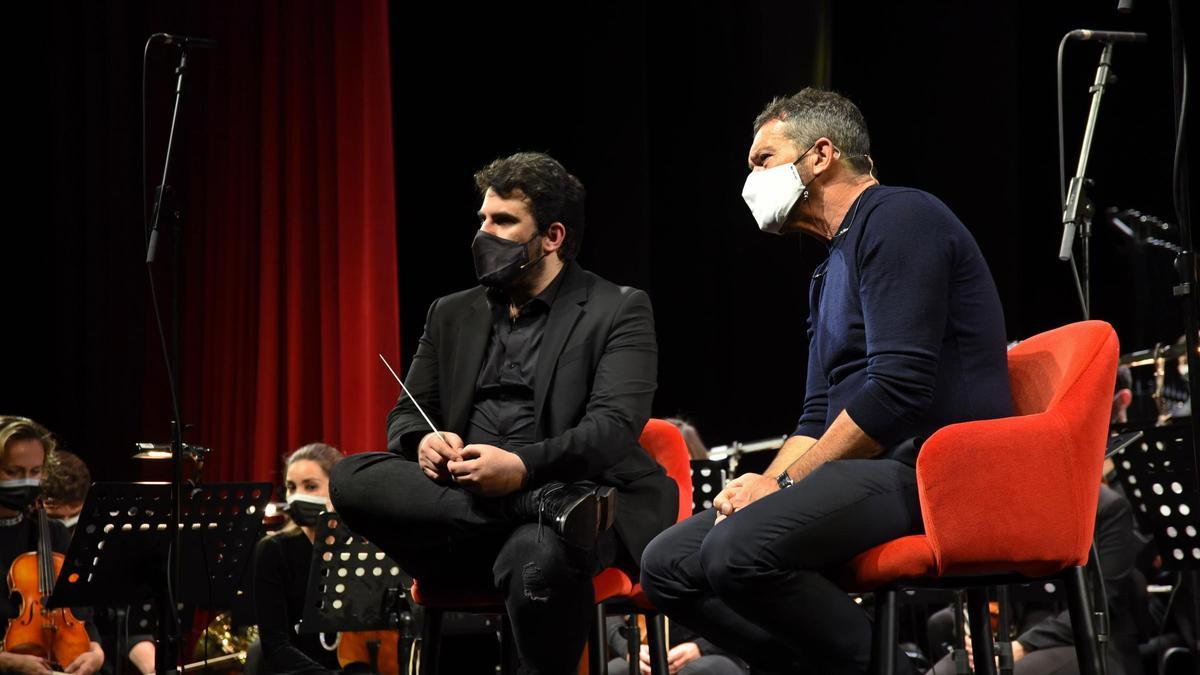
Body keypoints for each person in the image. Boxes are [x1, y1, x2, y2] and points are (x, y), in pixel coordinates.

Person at [640, 88, 1013, 674]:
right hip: (866, 469)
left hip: (932, 470)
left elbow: (899, 389)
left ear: (819, 155)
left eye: (763, 161)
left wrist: (783, 486)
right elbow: (816, 417)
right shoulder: (827, 268)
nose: (750, 181)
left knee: (736, 552)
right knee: (666, 564)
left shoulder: (900, 217)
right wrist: (758, 485)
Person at [330, 151, 677, 674]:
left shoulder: (618, 308)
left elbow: (610, 431)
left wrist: (520, 469)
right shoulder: (451, 312)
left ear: (553, 237)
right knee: (349, 477)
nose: (484, 233)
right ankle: (532, 505)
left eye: (504, 221)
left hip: (569, 504)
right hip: (479, 508)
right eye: (483, 219)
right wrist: (420, 442)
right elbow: (407, 413)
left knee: (536, 556)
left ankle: (532, 508)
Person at [0, 416, 105, 675]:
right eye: (14, 472)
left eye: (35, 472)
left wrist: (96, 652)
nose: (27, 481)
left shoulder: (53, 532)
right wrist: (7, 662)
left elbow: (80, 613)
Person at [252, 442, 346, 674]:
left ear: (337, 488)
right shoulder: (274, 550)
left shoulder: (361, 546)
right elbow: (276, 647)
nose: (297, 497)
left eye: (311, 486)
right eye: (291, 487)